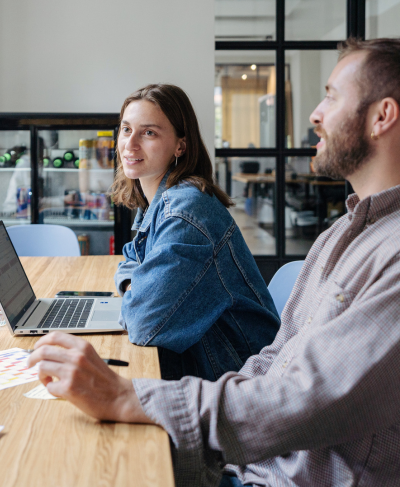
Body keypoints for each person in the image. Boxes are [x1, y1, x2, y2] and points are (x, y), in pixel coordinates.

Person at [29, 37, 400, 486]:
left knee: (74, 460)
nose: (314, 115)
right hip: (246, 447)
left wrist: (131, 398)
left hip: (272, 470)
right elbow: (274, 360)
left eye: (331, 96)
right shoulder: (342, 232)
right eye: (126, 129)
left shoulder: (390, 252)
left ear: (383, 116)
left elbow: (302, 397)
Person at [110, 84, 280, 381]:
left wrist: (137, 293)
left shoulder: (185, 211)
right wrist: (136, 288)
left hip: (235, 382)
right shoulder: (161, 200)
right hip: (203, 367)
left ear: (180, 146)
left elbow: (142, 323)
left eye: (148, 133)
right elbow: (129, 260)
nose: (130, 144)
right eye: (126, 129)